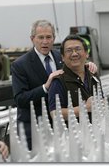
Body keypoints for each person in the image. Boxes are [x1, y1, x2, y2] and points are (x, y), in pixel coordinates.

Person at [11, 20, 98, 150]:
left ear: (54, 38)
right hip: (34, 128)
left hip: (60, 127)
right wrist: (45, 87)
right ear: (32, 39)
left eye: (48, 37)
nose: (45, 41)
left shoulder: (62, 56)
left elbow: (75, 68)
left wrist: (87, 65)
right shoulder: (20, 65)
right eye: (41, 37)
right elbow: (20, 99)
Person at [48, 34, 101, 123]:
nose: (74, 54)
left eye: (78, 49)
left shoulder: (93, 75)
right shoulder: (58, 81)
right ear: (63, 57)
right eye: (69, 50)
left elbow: (99, 100)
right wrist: (84, 108)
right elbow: (55, 114)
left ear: (87, 53)